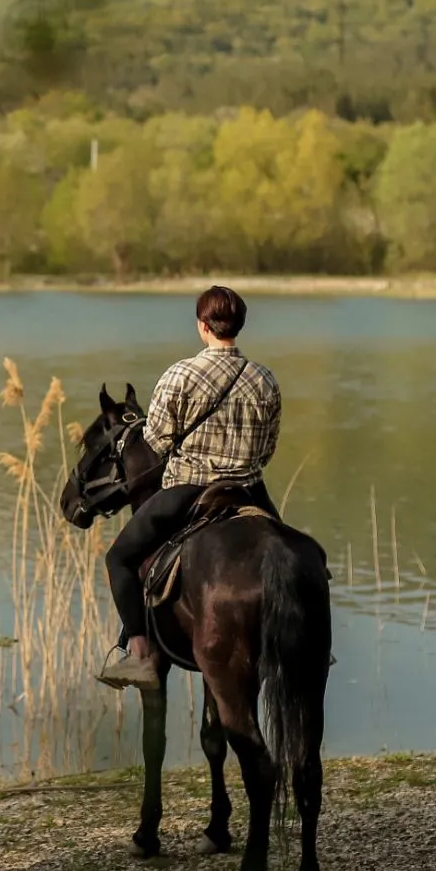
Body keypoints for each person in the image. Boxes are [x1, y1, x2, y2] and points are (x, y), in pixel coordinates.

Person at [96, 285, 281, 691]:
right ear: (240, 326)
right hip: (249, 491)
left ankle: (141, 655)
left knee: (121, 560)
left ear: (203, 326)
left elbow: (157, 441)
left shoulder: (179, 374)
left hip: (188, 490)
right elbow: (268, 448)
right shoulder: (264, 378)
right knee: (289, 552)